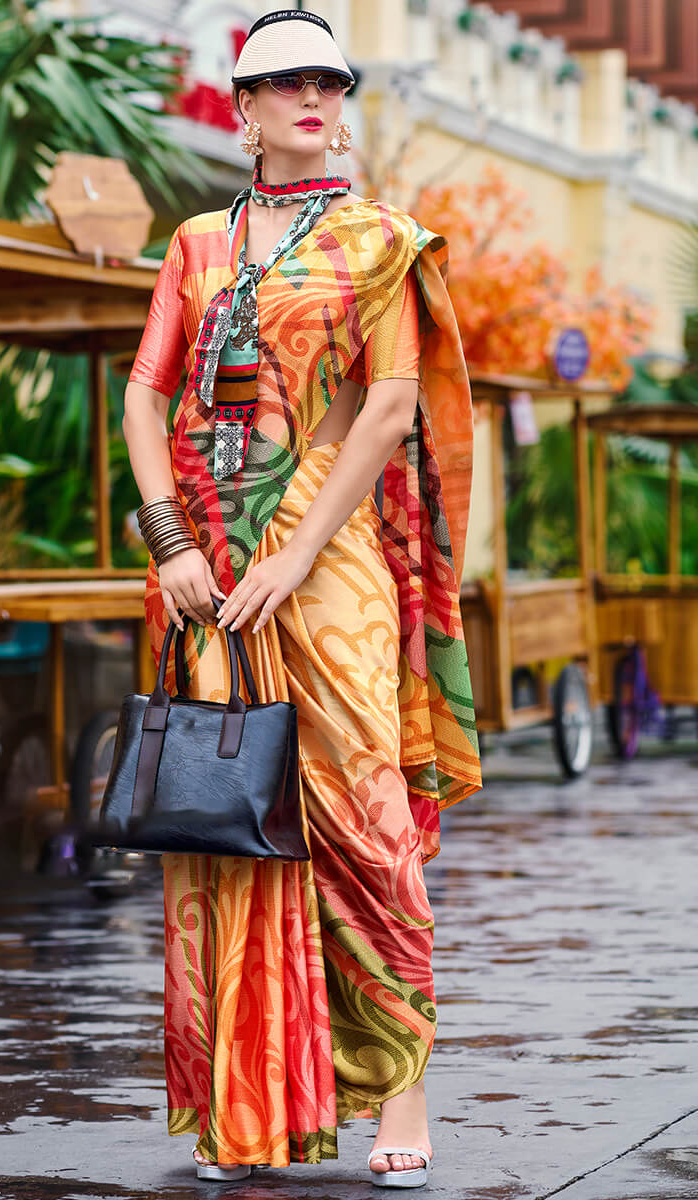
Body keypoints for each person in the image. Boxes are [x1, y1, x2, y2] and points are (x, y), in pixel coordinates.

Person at [122, 8, 481, 1188]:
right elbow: (143, 395)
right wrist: (171, 542)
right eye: (284, 86)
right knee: (228, 814)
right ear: (245, 111)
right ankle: (248, 1104)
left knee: (363, 815)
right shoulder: (194, 244)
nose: (311, 101)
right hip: (201, 566)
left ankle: (400, 1092)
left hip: (324, 561)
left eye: (328, 82)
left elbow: (386, 408)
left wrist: (293, 550)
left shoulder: (380, 240)